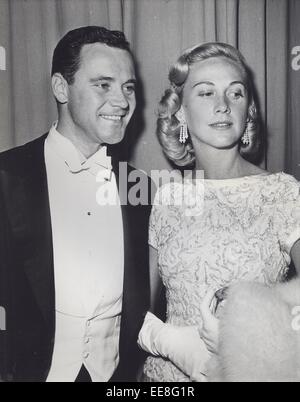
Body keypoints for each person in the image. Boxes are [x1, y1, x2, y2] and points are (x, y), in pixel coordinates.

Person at [138, 42, 300, 382]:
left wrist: (247, 342)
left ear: (249, 110)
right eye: (206, 93)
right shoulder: (167, 198)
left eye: (236, 94)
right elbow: (138, 309)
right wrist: (169, 342)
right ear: (180, 111)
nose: (223, 106)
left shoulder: (282, 192)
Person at [0, 26, 151, 382]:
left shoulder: (139, 187)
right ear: (60, 88)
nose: (122, 101)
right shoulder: (6, 177)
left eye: (128, 87)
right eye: (103, 84)